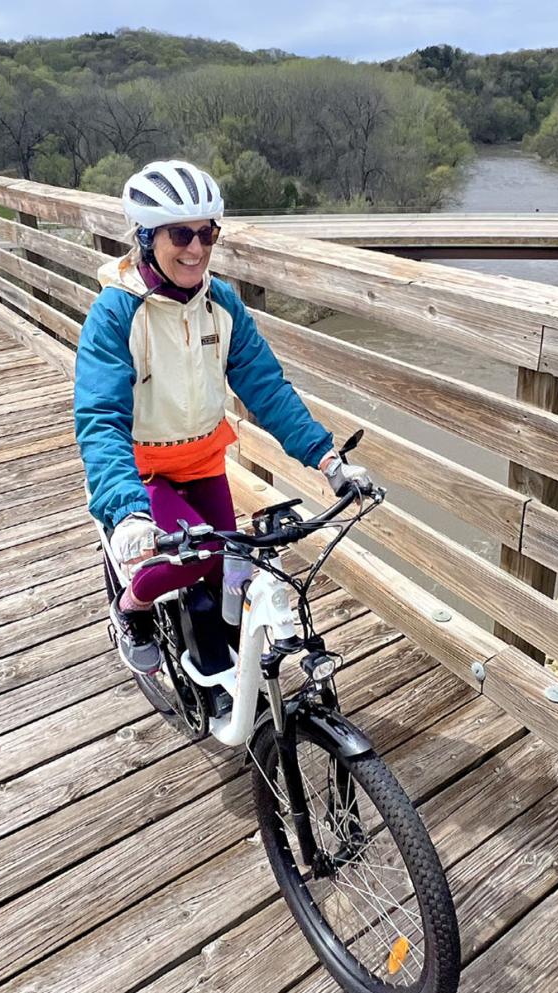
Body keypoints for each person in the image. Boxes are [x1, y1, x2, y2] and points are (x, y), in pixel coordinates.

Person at [74, 159, 370, 674]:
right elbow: (100, 417)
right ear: (145, 238)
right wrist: (126, 511)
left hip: (204, 459)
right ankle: (131, 611)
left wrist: (326, 458)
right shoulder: (116, 314)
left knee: (233, 568)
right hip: (141, 470)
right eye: (180, 234)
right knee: (198, 557)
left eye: (208, 233)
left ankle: (224, 656)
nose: (197, 249)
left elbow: (266, 387)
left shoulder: (221, 304)